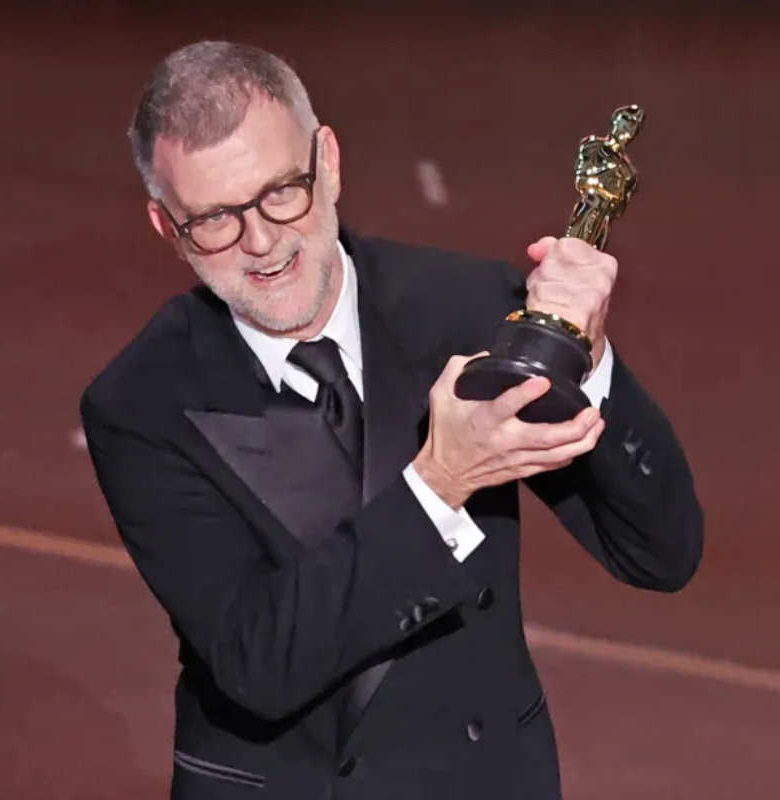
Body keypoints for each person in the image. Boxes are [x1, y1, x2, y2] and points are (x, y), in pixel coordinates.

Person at [81, 40, 703, 800]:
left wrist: (591, 359)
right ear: (164, 225)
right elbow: (259, 663)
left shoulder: (466, 305)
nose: (263, 240)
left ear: (329, 161)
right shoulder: (140, 401)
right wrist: (439, 484)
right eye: (214, 218)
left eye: (283, 191)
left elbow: (660, 553)